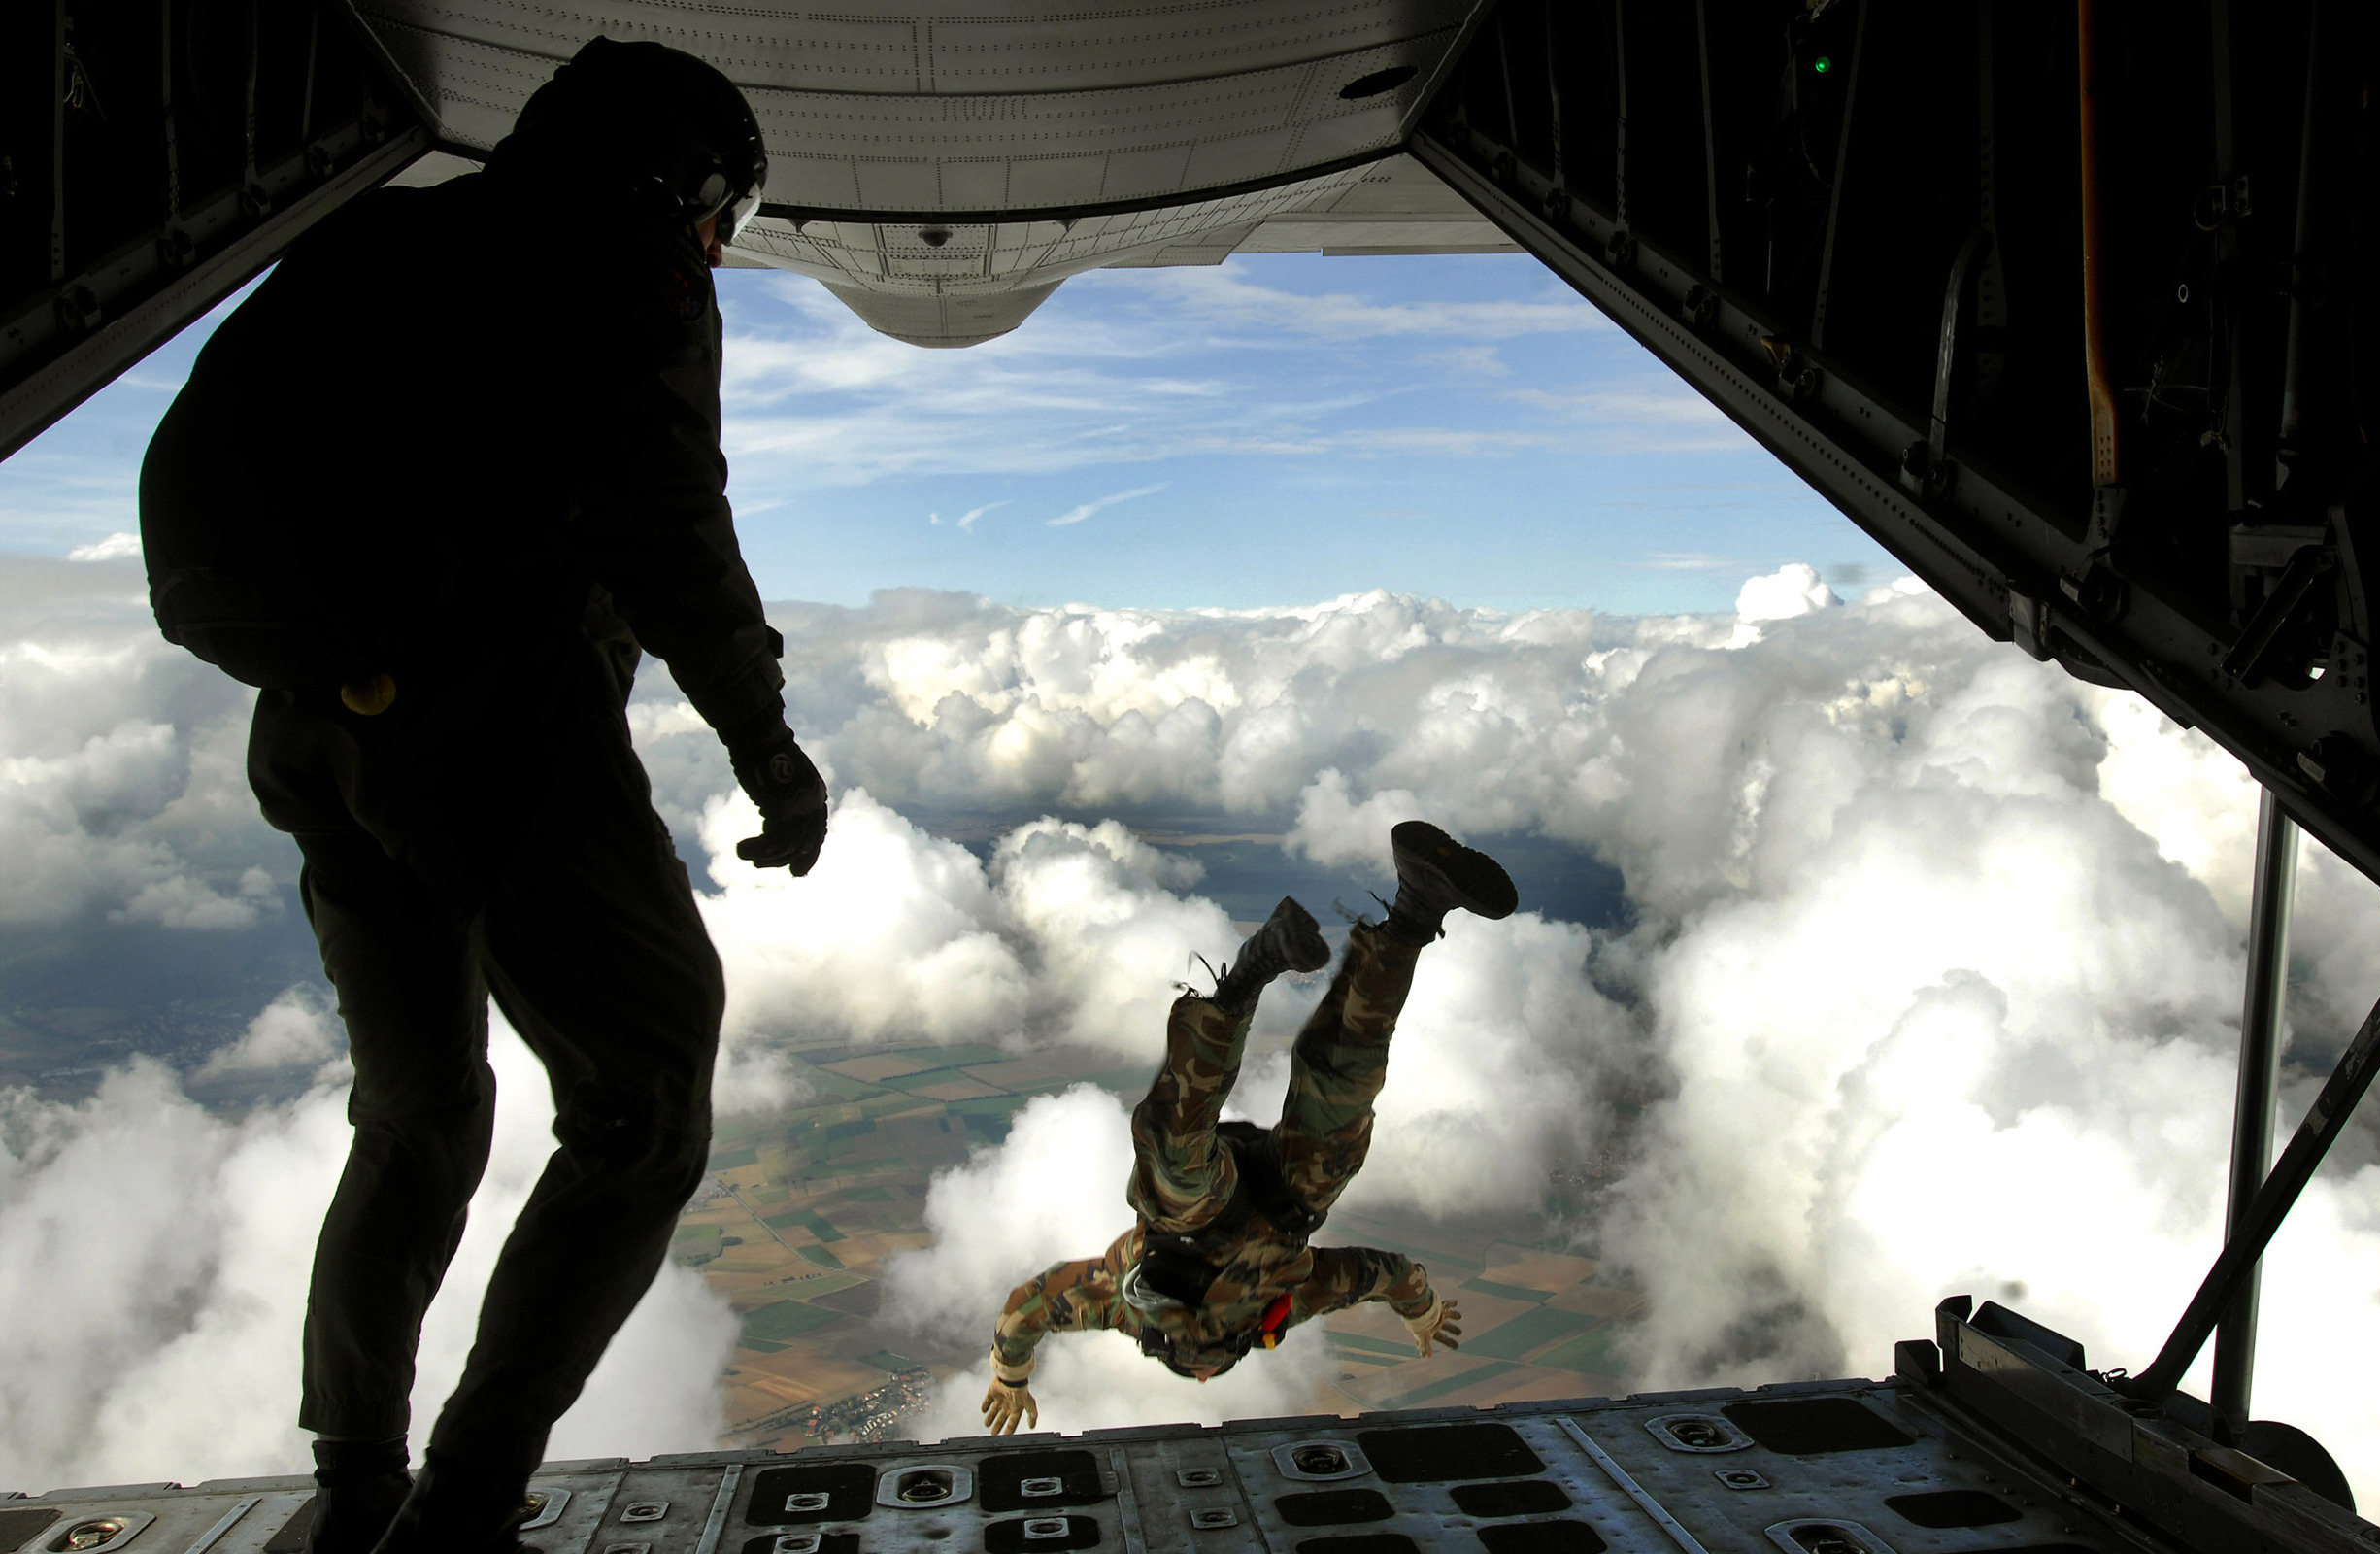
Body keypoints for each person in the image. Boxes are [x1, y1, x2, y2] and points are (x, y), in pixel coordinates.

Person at [136, 37, 824, 1554]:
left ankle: (356, 1486)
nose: (719, 245)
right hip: (491, 729)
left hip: (316, 738)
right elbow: (670, 525)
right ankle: (464, 1503)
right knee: (646, 1101)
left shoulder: (378, 237)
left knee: (419, 1112)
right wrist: (766, 747)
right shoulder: (626, 261)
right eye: (728, 216)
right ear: (690, 184)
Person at [980, 821, 1516, 1434]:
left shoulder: (1124, 1306)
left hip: (1190, 1215)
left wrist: (1009, 1372)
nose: (1204, 1370)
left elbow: (1031, 1305)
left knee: (1178, 1167)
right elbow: (1382, 1274)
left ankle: (1249, 976)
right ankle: (1417, 905)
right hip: (1288, 1198)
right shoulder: (1285, 1303)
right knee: (1346, 1078)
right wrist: (1419, 1309)